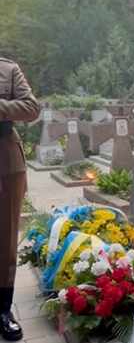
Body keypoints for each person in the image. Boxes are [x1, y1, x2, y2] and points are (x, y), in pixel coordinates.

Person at [0, 57, 41, 341]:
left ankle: (2, 309)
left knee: (5, 237)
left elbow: (31, 107)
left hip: (5, 160)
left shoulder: (7, 69)